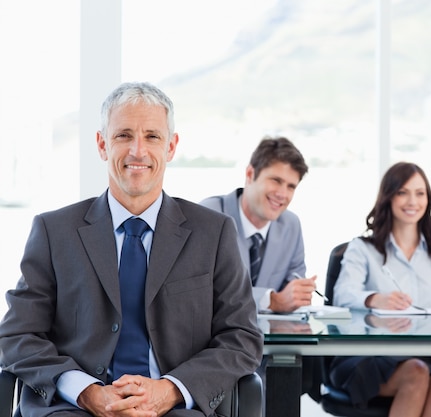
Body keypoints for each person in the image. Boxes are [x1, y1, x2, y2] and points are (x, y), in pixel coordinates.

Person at [0, 82, 263, 417]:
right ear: (101, 144)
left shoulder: (213, 232)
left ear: (171, 147)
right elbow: (17, 334)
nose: (138, 150)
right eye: (124, 135)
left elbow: (242, 337)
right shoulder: (54, 231)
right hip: (73, 408)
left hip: (175, 409)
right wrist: (85, 391)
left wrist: (169, 390)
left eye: (152, 136)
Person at [329, 162, 431, 417]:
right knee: (416, 373)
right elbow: (342, 294)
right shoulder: (363, 249)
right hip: (369, 356)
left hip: (426, 355)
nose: (412, 201)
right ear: (389, 196)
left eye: (420, 193)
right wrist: (375, 299)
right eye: (403, 192)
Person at [199, 136, 318, 313]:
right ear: (249, 174)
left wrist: (298, 294)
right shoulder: (209, 214)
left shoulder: (291, 225)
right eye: (276, 181)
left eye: (291, 186)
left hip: (271, 337)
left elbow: (292, 285)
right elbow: (202, 291)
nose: (282, 194)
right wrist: (270, 301)